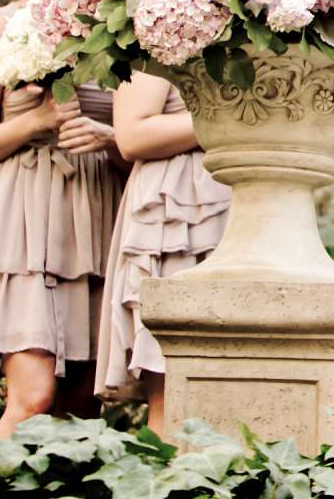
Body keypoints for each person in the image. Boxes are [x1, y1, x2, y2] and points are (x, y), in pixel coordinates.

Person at [0, 0, 121, 437]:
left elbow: (135, 129)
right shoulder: (3, 24)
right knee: (34, 394)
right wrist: (31, 125)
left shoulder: (119, 27)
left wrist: (108, 139)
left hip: (96, 204)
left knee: (85, 402)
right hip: (24, 211)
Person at [95, 72, 230, 437]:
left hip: (242, 200)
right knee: (174, 395)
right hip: (177, 209)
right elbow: (133, 134)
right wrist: (242, 117)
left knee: (235, 395)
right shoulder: (159, 23)